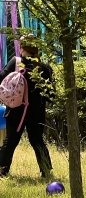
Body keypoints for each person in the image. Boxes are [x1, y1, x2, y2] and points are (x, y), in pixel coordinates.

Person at [0, 35, 53, 179]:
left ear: (22, 48)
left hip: (16, 111)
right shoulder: (45, 67)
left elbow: (1, 80)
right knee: (37, 141)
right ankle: (46, 172)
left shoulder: (16, 62)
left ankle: (2, 171)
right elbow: (50, 94)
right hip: (36, 113)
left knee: (10, 141)